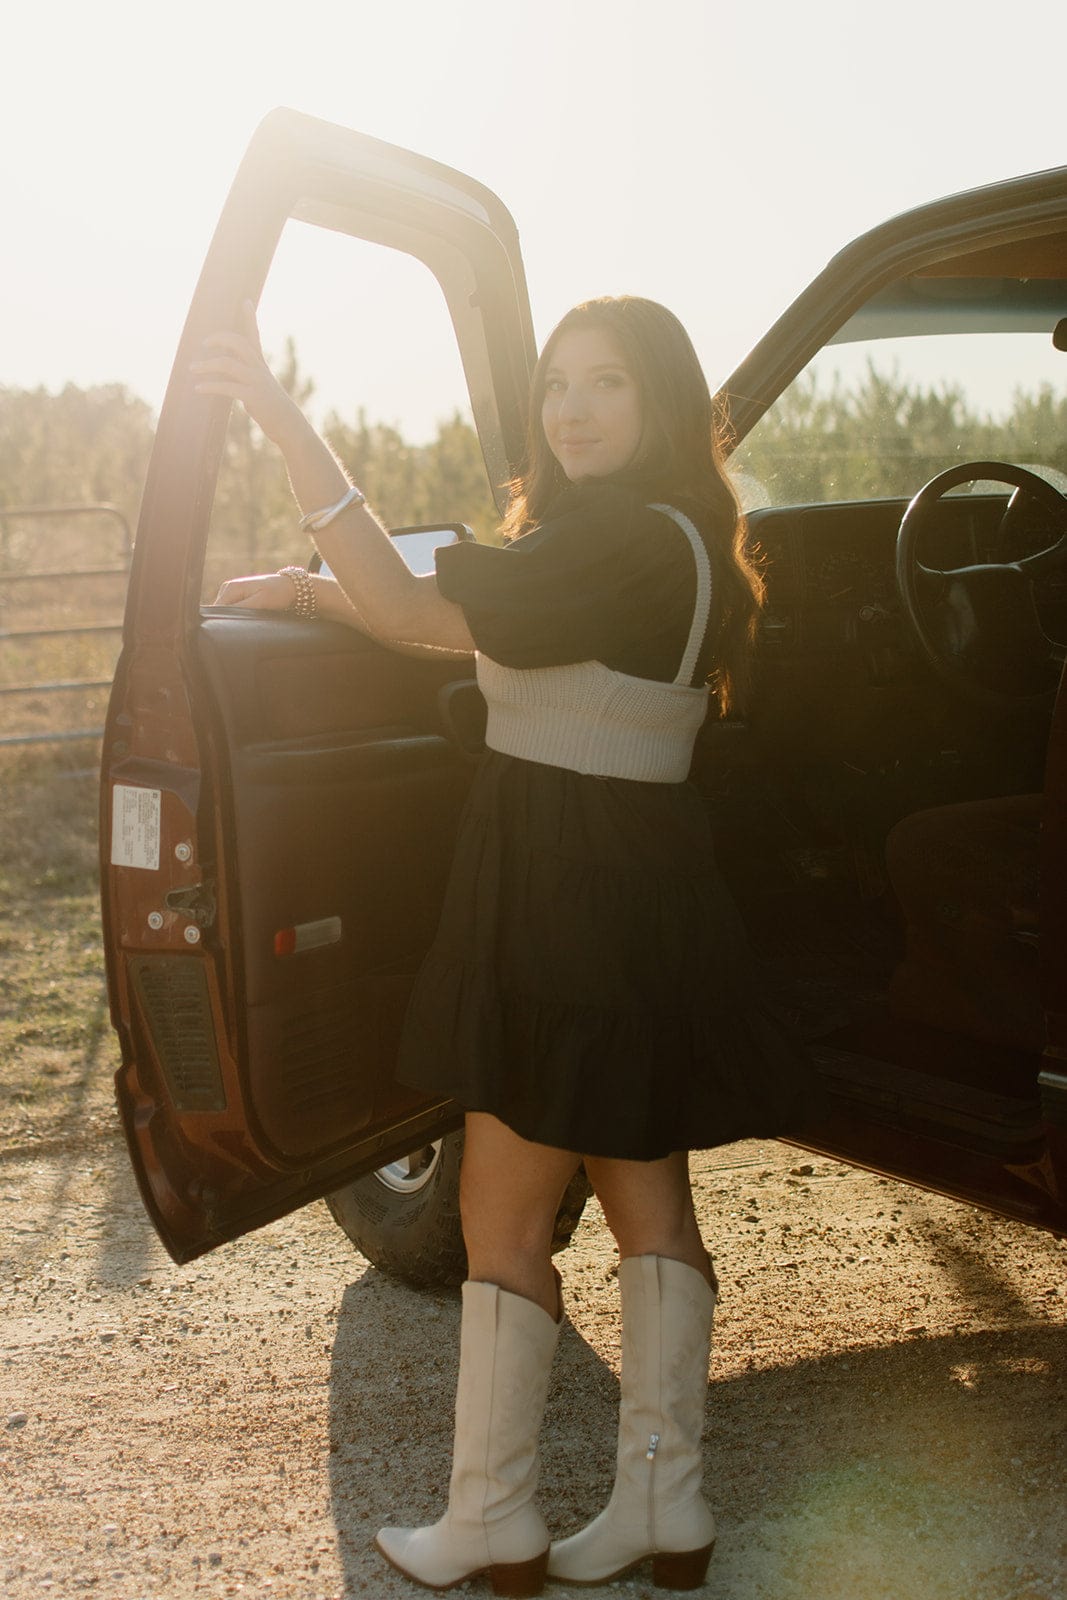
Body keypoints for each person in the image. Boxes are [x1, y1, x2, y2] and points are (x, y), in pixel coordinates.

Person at [194, 295, 820, 1597]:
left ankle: (494, 1519)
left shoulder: (616, 541)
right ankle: (666, 1503)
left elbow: (418, 609)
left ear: (659, 403)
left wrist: (279, 415)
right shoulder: (676, 541)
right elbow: (476, 625)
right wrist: (318, 593)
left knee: (499, 1208)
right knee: (649, 1200)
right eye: (556, 387)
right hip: (640, 895)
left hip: (564, 905)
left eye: (606, 386)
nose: (573, 411)